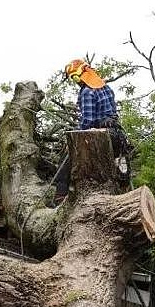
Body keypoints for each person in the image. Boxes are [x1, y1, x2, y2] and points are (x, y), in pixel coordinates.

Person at [54, 59, 130, 201]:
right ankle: (123, 191)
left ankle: (60, 193)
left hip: (98, 136)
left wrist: (75, 134)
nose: (75, 81)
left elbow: (87, 122)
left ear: (78, 76)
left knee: (66, 156)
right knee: (120, 163)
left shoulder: (87, 92)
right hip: (115, 134)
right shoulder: (106, 87)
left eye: (74, 78)